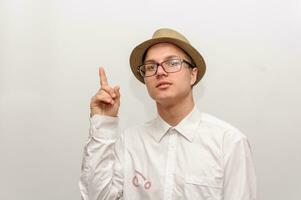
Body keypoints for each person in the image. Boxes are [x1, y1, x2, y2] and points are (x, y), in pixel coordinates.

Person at [79, 28, 257, 200]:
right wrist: (103, 122)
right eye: (151, 67)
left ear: (193, 75)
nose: (160, 72)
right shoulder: (130, 142)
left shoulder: (229, 142)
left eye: (172, 63)